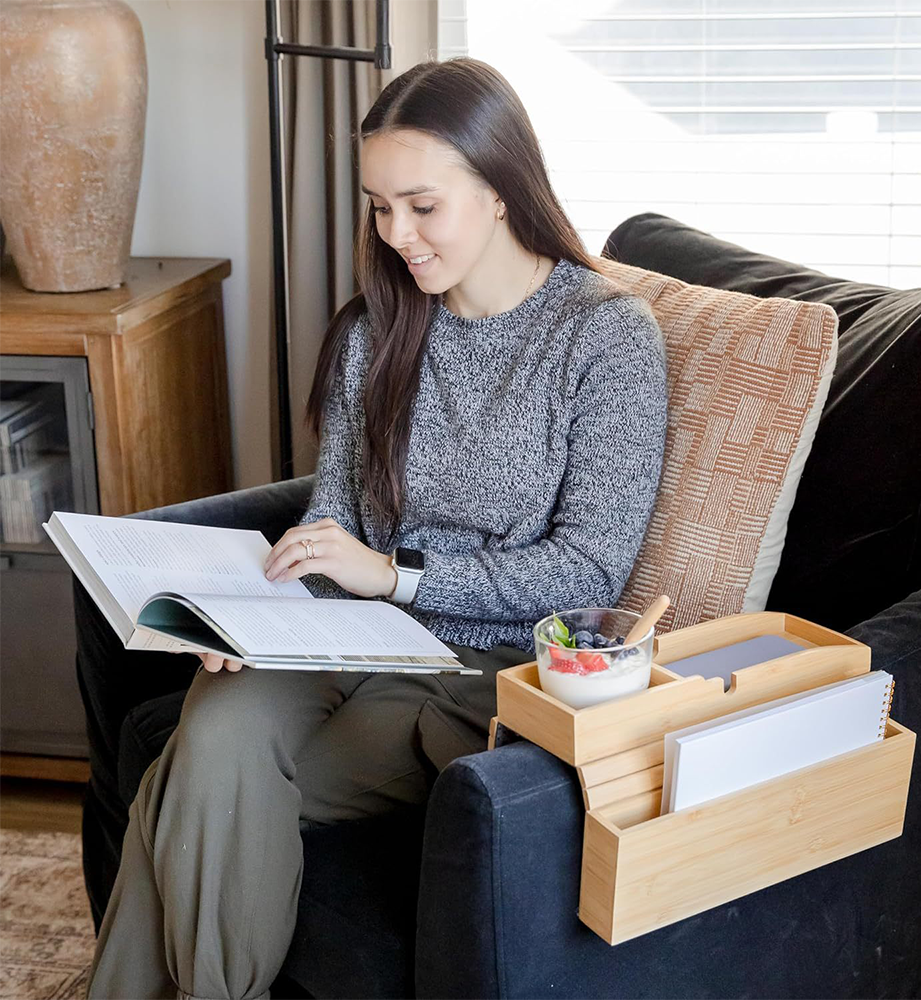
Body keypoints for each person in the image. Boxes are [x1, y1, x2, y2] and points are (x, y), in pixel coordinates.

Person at [81, 56, 668, 1000]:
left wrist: (395, 576)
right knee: (219, 733)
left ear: (503, 189)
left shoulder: (604, 338)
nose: (396, 234)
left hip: (487, 673)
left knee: (192, 785)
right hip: (341, 638)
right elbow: (334, 514)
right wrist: (246, 618)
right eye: (378, 206)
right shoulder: (379, 329)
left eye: (421, 205)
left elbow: (590, 567)